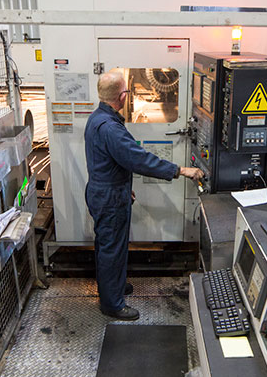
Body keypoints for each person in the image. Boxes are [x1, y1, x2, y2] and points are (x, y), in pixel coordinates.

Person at [85, 71, 204, 320]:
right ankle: (112, 303)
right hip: (109, 197)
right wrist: (181, 170)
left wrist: (121, 185)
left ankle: (112, 287)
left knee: (108, 245)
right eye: (127, 91)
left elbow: (109, 161)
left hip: (105, 190)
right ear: (122, 96)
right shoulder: (110, 128)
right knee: (111, 248)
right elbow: (139, 159)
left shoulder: (97, 118)